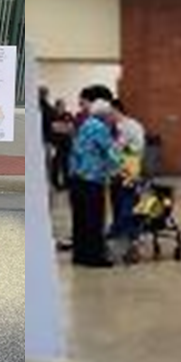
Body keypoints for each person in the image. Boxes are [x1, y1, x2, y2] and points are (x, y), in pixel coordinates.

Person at [67, 87, 120, 268]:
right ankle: (95, 257)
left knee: (79, 220)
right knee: (94, 219)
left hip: (76, 178)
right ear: (105, 115)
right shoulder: (100, 128)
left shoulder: (85, 125)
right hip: (92, 179)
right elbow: (111, 153)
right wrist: (122, 167)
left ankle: (80, 254)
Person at [106, 99, 147, 261]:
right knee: (116, 204)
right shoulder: (114, 127)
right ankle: (119, 236)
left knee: (128, 206)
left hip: (129, 172)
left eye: (110, 113)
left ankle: (132, 241)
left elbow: (135, 149)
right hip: (116, 173)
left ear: (116, 110)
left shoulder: (131, 127)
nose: (108, 117)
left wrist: (118, 150)